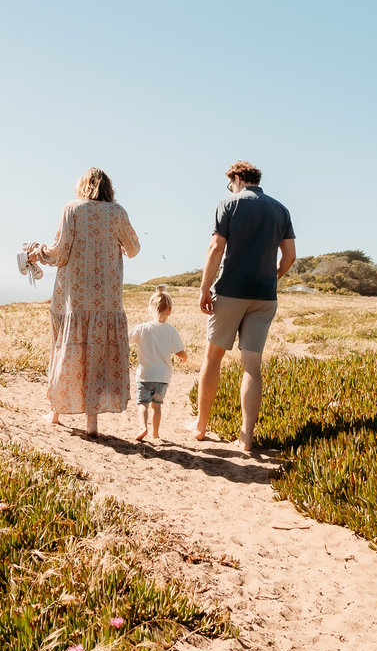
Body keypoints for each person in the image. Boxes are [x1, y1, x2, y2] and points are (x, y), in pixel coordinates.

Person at [192, 161, 296, 455]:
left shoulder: (228, 204)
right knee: (252, 367)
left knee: (213, 358)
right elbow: (290, 256)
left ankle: (201, 426)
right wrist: (272, 277)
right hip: (264, 296)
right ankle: (246, 437)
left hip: (230, 291)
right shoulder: (281, 209)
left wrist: (204, 288)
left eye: (230, 184)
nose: (230, 188)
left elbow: (216, 248)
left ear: (237, 179)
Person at [34, 167, 140, 436]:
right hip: (107, 299)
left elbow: (60, 252)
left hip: (73, 296)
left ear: (83, 185)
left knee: (67, 349)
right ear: (108, 188)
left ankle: (55, 412)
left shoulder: (72, 208)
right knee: (97, 354)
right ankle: (92, 423)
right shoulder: (117, 212)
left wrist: (40, 252)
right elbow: (134, 249)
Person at [128, 288, 187, 442]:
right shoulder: (171, 330)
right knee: (157, 406)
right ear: (170, 311)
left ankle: (143, 428)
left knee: (142, 404)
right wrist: (184, 357)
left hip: (145, 375)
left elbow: (126, 339)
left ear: (150, 309)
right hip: (163, 377)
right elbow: (180, 352)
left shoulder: (142, 328)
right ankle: (155, 433)